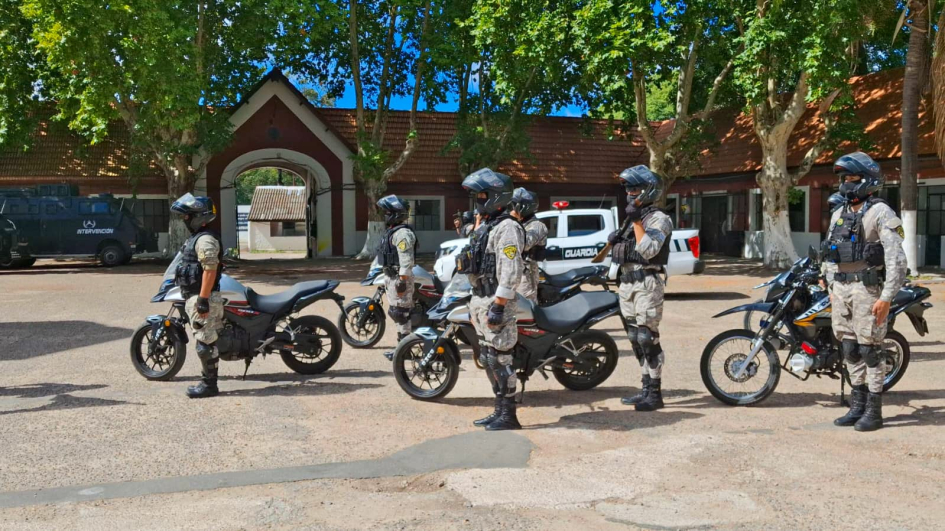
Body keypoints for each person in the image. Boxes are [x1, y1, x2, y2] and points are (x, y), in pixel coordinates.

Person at [824, 151, 907, 432]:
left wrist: (886, 297)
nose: (846, 182)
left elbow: (896, 259)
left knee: (870, 350)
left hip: (867, 289)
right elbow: (829, 253)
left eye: (852, 177)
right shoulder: (839, 213)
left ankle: (874, 411)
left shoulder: (881, 212)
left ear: (868, 179)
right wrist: (831, 287)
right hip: (841, 289)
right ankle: (857, 405)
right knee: (849, 348)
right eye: (844, 178)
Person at [459, 168, 525, 430]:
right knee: (488, 358)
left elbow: (511, 270)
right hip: (480, 298)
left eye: (482, 195)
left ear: (496, 195)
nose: (478, 200)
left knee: (501, 359)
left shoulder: (508, 228)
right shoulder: (488, 225)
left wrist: (499, 305)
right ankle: (498, 410)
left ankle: (509, 415)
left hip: (496, 301)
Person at [607, 166, 673, 412]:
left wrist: (635, 221)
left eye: (636, 188)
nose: (630, 192)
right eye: (628, 188)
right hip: (627, 283)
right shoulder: (633, 218)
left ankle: (655, 394)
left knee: (647, 337)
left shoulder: (658, 219)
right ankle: (645, 388)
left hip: (647, 283)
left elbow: (648, 250)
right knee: (635, 338)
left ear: (649, 190)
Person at [171, 194, 225, 399]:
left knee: (205, 344)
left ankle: (209, 385)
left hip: (203, 298)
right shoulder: (197, 238)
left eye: (187, 216)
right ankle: (209, 382)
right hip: (195, 296)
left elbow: (210, 269)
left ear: (198, 217)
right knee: (205, 342)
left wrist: (203, 300)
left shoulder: (205, 239)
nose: (184, 220)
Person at [376, 195, 418, 361]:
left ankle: (404, 350)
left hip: (400, 279)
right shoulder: (393, 231)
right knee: (397, 313)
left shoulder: (402, 233)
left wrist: (402, 281)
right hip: (391, 277)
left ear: (396, 213)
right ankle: (402, 348)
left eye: (388, 212)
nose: (385, 215)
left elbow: (406, 260)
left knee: (401, 314)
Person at [510, 188, 546, 304]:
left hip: (526, 274)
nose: (511, 210)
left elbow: (524, 244)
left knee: (526, 305)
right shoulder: (521, 224)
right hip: (514, 270)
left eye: (514, 206)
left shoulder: (536, 226)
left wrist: (513, 221)